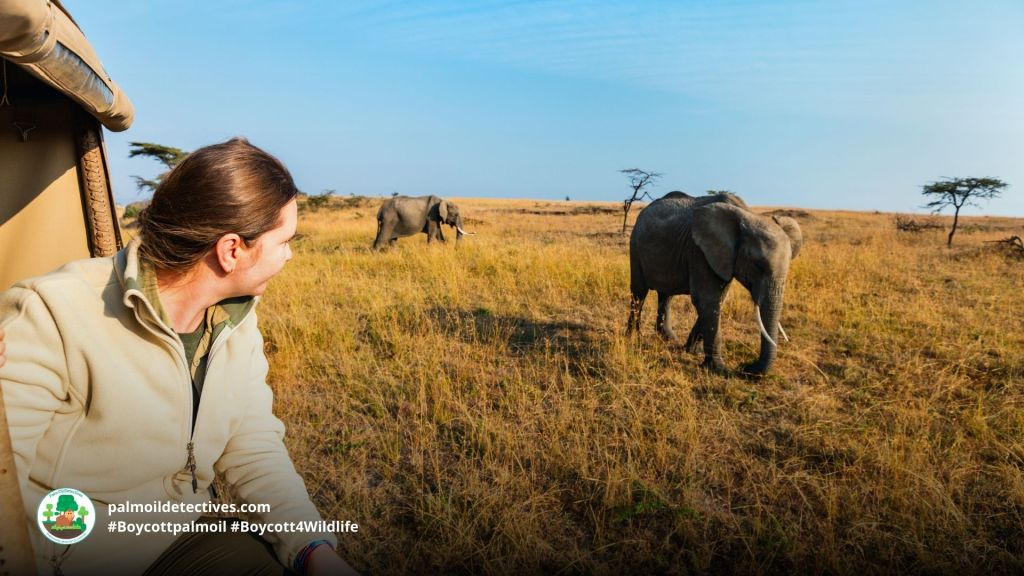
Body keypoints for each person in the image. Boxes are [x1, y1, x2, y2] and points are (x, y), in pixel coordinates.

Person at [0, 138, 359, 575]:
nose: (290, 255)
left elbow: (252, 447)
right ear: (231, 251)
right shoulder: (51, 313)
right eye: (284, 240)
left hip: (185, 532)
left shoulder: (234, 320)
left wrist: (311, 550)